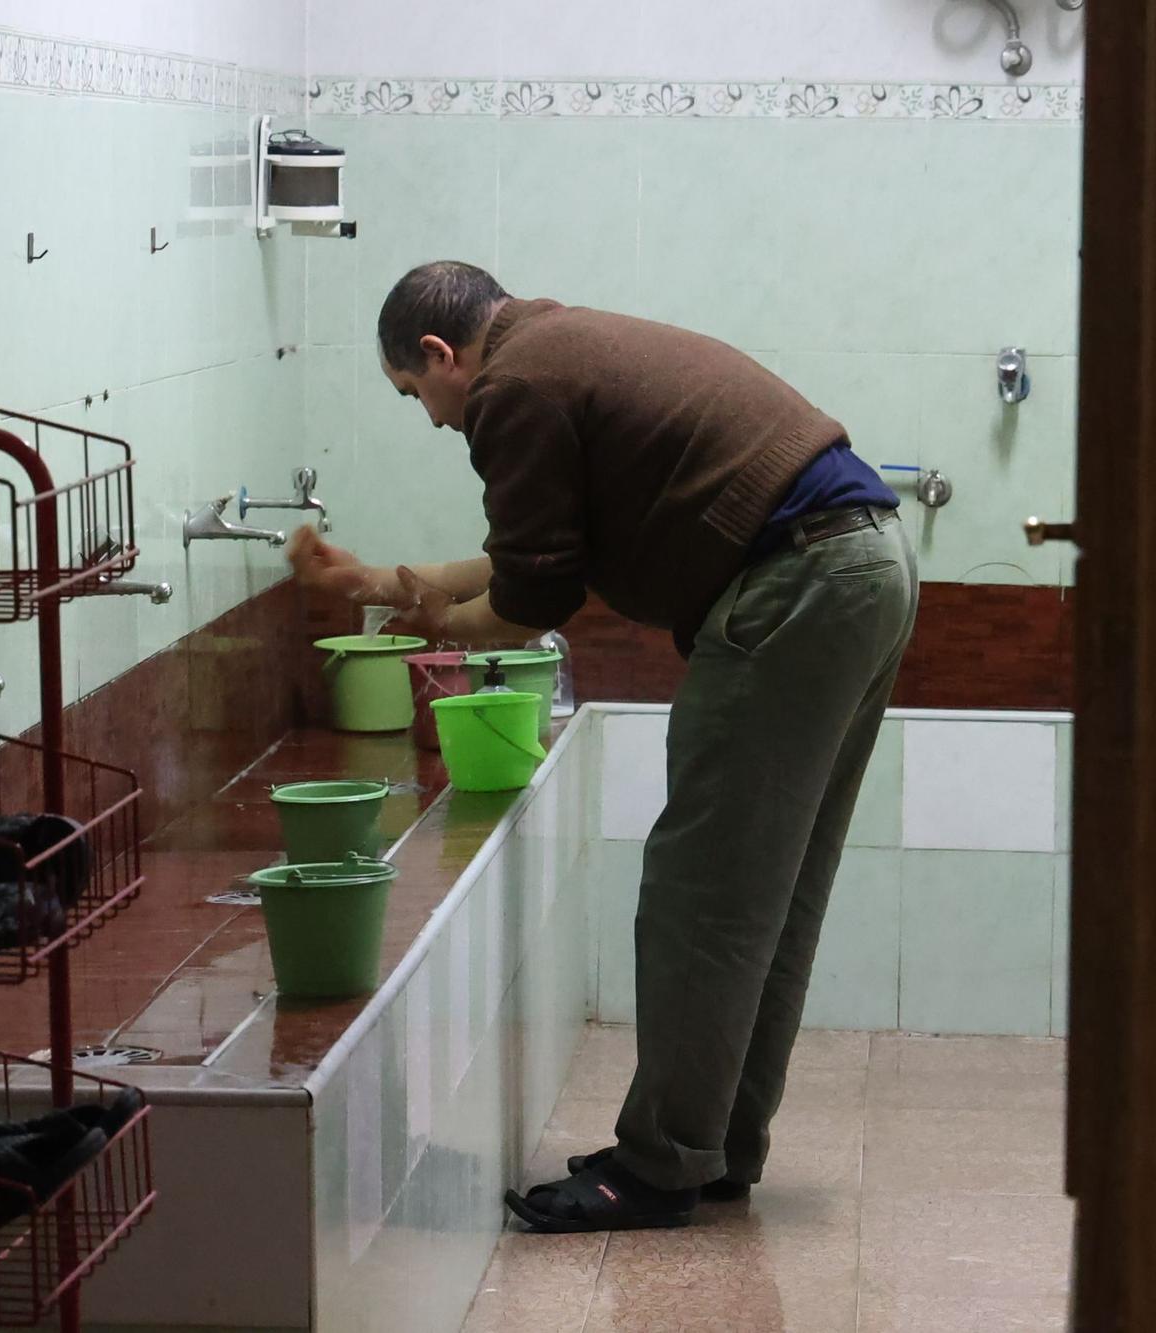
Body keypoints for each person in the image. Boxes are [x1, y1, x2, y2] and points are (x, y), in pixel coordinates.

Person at [286, 261, 917, 1233]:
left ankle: (657, 1168)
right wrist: (377, 581)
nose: (431, 420)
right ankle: (709, 1147)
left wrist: (424, 631)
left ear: (437, 354)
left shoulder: (513, 388)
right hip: (859, 564)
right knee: (766, 889)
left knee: (699, 890)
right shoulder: (557, 350)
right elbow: (526, 558)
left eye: (415, 395)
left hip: (795, 583)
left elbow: (533, 600)